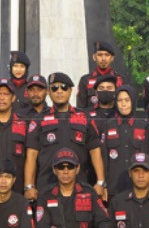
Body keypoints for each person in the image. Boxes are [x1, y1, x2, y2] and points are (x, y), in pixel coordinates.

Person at [25, 73, 107, 203]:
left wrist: (101, 182)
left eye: (63, 87)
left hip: (80, 186)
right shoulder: (38, 120)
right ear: (48, 92)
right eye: (54, 88)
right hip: (46, 186)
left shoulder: (84, 117)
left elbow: (95, 151)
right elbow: (32, 155)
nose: (59, 91)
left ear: (70, 90)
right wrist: (29, 186)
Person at [95, 85, 149, 196]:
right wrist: (103, 184)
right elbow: (104, 158)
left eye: (127, 100)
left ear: (134, 101)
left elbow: (148, 156)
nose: (123, 104)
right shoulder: (108, 125)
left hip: (138, 186)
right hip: (114, 186)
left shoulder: (143, 125)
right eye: (120, 100)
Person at [76, 40, 129, 113]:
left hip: (115, 121)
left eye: (107, 55)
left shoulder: (122, 80)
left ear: (112, 58)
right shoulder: (85, 80)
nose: (103, 58)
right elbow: (80, 108)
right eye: (100, 55)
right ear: (94, 57)